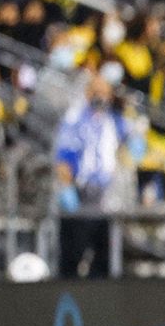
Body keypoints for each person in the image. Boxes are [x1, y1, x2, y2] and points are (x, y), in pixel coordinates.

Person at [54, 71, 137, 278]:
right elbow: (64, 157)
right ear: (88, 93)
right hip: (82, 194)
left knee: (106, 257)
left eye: (105, 92)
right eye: (97, 91)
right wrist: (66, 188)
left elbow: (131, 142)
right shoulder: (76, 119)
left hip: (107, 195)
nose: (101, 96)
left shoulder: (114, 119)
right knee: (73, 256)